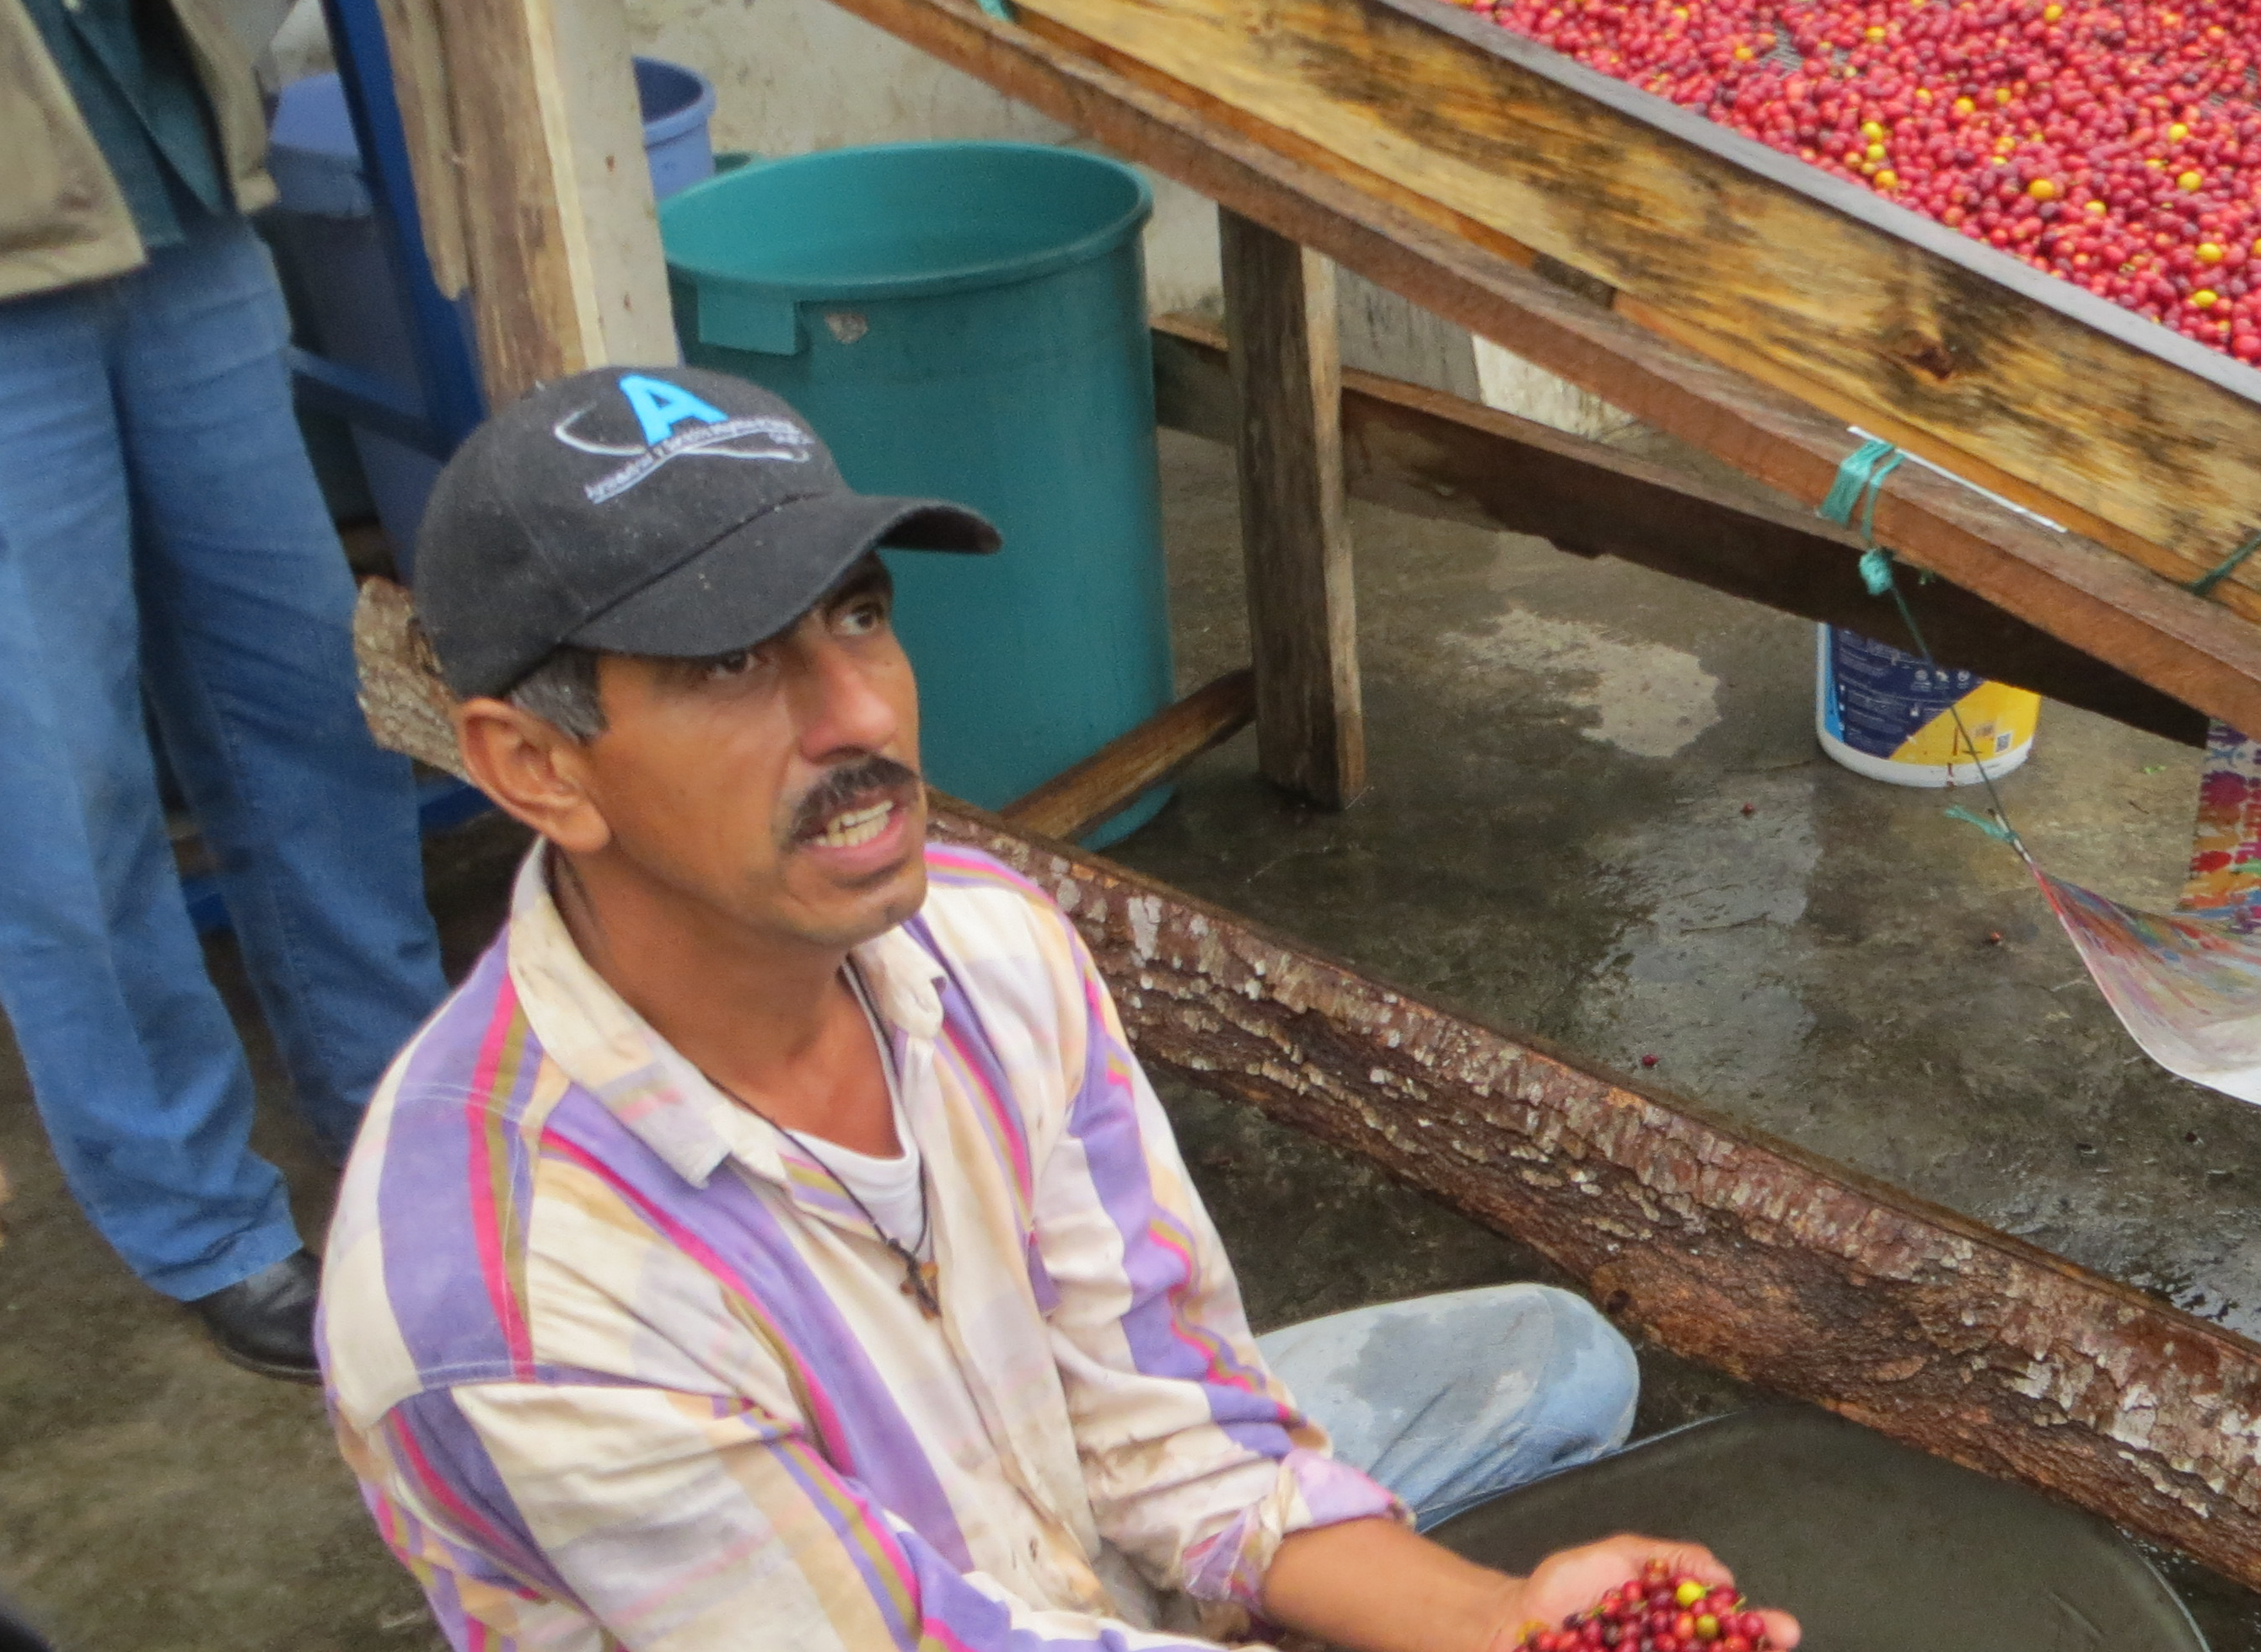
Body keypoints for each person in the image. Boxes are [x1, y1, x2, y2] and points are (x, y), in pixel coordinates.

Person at [320, 366, 1796, 1651]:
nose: (862, 716)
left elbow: (1163, 1414)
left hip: (1063, 1549)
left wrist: (1499, 1625)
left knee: (1554, 1355)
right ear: (536, 768)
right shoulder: (508, 1305)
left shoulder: (986, 946)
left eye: (859, 615)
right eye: (729, 662)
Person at [1, 0, 450, 1376]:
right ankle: (199, 1216)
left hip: (182, 200)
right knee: (60, 787)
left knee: (311, 698)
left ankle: (405, 1107)